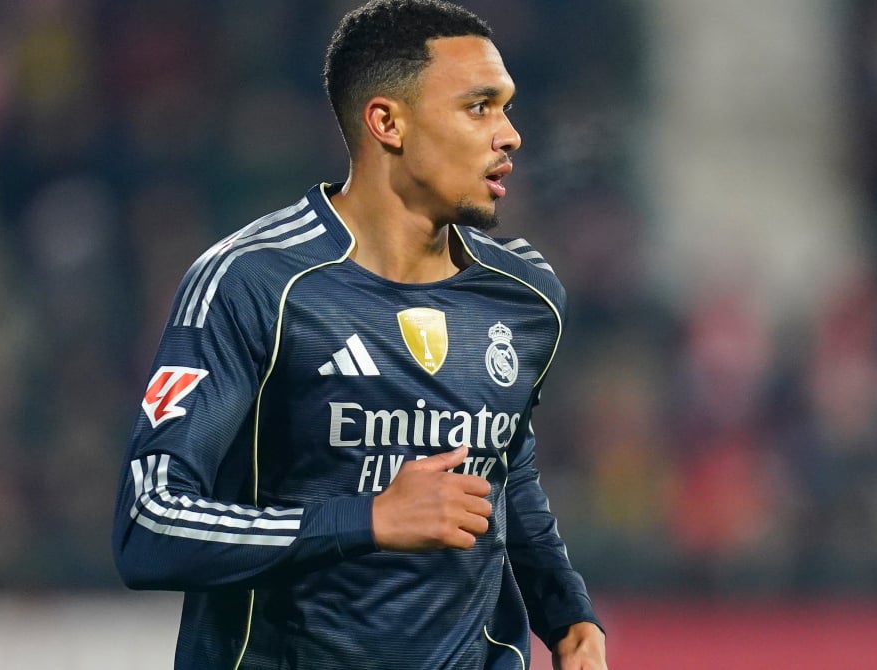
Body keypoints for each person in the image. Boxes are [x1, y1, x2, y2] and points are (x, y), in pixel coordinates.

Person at [112, 1, 608, 667]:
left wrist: (566, 613)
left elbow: (501, 470)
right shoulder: (255, 283)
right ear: (387, 122)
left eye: (506, 108)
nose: (511, 135)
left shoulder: (525, 295)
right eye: (479, 107)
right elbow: (148, 524)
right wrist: (366, 519)